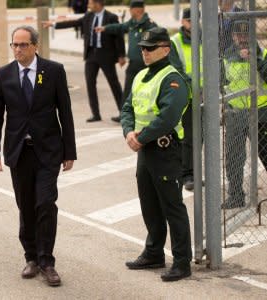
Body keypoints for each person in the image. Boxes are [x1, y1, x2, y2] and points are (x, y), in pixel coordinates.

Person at [0, 25, 77, 286]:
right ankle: (31, 257)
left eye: (23, 45)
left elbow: (65, 113)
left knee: (45, 204)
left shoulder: (53, 71)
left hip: (48, 151)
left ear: (36, 46)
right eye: (14, 44)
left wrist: (69, 151)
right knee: (26, 207)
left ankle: (47, 261)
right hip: (18, 152)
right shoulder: (4, 75)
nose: (18, 49)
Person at [121, 27, 192, 281]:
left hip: (165, 148)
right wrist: (128, 131)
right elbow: (128, 107)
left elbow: (168, 116)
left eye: (150, 48)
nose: (145, 52)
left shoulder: (173, 79)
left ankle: (182, 262)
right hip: (144, 148)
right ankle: (154, 253)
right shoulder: (140, 75)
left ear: (165, 49)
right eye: (142, 48)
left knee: (172, 206)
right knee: (149, 203)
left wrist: (139, 137)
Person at [43, 0, 125, 123]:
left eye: (90, 3)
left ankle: (123, 114)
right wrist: (54, 24)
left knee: (114, 84)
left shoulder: (111, 17)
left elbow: (119, 36)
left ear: (98, 4)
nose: (88, 5)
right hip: (91, 55)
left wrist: (121, 55)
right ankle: (95, 114)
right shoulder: (88, 16)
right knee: (90, 84)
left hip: (106, 55)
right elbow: (74, 23)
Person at [221, 20, 267, 209]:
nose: (242, 39)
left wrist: (255, 60)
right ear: (232, 37)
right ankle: (236, 195)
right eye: (238, 35)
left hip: (261, 112)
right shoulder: (227, 56)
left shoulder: (262, 53)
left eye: (245, 35)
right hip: (236, 113)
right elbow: (221, 81)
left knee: (265, 154)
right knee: (234, 157)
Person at [95, 0, 157, 119]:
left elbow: (159, 39)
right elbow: (120, 27)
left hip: (147, 64)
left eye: (131, 9)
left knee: (147, 91)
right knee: (128, 90)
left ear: (138, 10)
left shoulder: (150, 25)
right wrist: (105, 28)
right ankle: (124, 116)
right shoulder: (132, 23)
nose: (129, 11)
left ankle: (147, 114)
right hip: (133, 64)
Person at [169, 7, 202, 191]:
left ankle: (196, 172)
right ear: (183, 22)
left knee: (202, 137)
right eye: (189, 20)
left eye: (195, 20)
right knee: (188, 136)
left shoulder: (207, 37)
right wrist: (197, 89)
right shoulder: (176, 41)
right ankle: (186, 174)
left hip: (207, 97)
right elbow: (177, 70)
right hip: (189, 96)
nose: (192, 24)